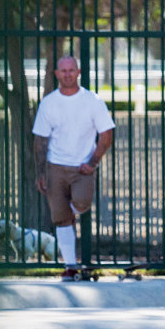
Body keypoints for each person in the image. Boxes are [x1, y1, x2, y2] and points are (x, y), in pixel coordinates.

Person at [32, 55, 115, 281]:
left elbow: (106, 135)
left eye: (71, 70)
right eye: (63, 70)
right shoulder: (49, 102)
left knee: (82, 203)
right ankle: (70, 267)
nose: (67, 74)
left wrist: (92, 162)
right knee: (60, 219)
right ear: (56, 74)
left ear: (78, 72)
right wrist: (40, 173)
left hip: (82, 166)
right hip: (55, 166)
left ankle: (70, 214)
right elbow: (40, 140)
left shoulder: (93, 101)